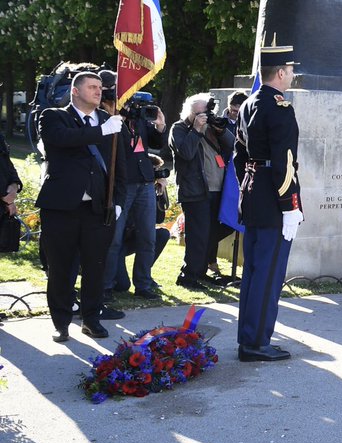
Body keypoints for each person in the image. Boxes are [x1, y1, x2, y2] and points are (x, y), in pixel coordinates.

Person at [36, 71, 127, 342]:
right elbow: (61, 139)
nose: (99, 91)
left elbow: (118, 167)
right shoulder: (54, 116)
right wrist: (101, 130)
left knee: (95, 267)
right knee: (61, 268)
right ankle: (61, 322)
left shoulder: (108, 121)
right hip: (62, 207)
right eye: (92, 87)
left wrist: (118, 201)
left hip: (97, 209)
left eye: (100, 87)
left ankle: (91, 319)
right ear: (75, 91)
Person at [233, 43, 303, 361]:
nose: (292, 76)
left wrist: (249, 185)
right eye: (290, 71)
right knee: (268, 272)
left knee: (253, 270)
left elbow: (238, 156)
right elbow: (285, 163)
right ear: (279, 73)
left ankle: (248, 336)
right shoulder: (280, 108)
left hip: (252, 194)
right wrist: (290, 205)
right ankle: (256, 342)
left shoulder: (248, 104)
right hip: (274, 201)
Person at [99, 72, 168, 301]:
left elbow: (155, 144)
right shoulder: (107, 114)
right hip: (122, 184)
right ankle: (106, 286)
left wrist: (159, 127)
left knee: (147, 236)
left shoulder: (138, 115)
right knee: (114, 237)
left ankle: (144, 285)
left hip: (145, 181)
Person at [169, 93, 235, 290]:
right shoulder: (179, 128)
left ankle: (201, 271)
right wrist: (196, 129)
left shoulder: (212, 128)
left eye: (206, 112)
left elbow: (232, 146)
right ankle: (188, 275)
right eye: (200, 113)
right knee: (198, 235)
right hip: (195, 190)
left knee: (219, 229)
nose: (204, 116)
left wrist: (221, 130)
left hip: (217, 190)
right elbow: (186, 153)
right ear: (190, 112)